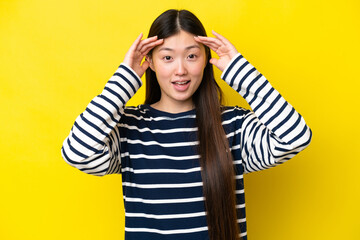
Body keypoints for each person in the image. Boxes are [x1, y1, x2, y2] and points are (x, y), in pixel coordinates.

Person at [61, 9, 312, 240]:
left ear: (206, 60)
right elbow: (77, 152)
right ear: (150, 62)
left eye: (191, 56)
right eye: (167, 57)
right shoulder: (130, 129)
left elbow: (295, 137)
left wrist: (239, 70)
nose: (180, 70)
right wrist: (125, 78)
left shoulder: (233, 126)